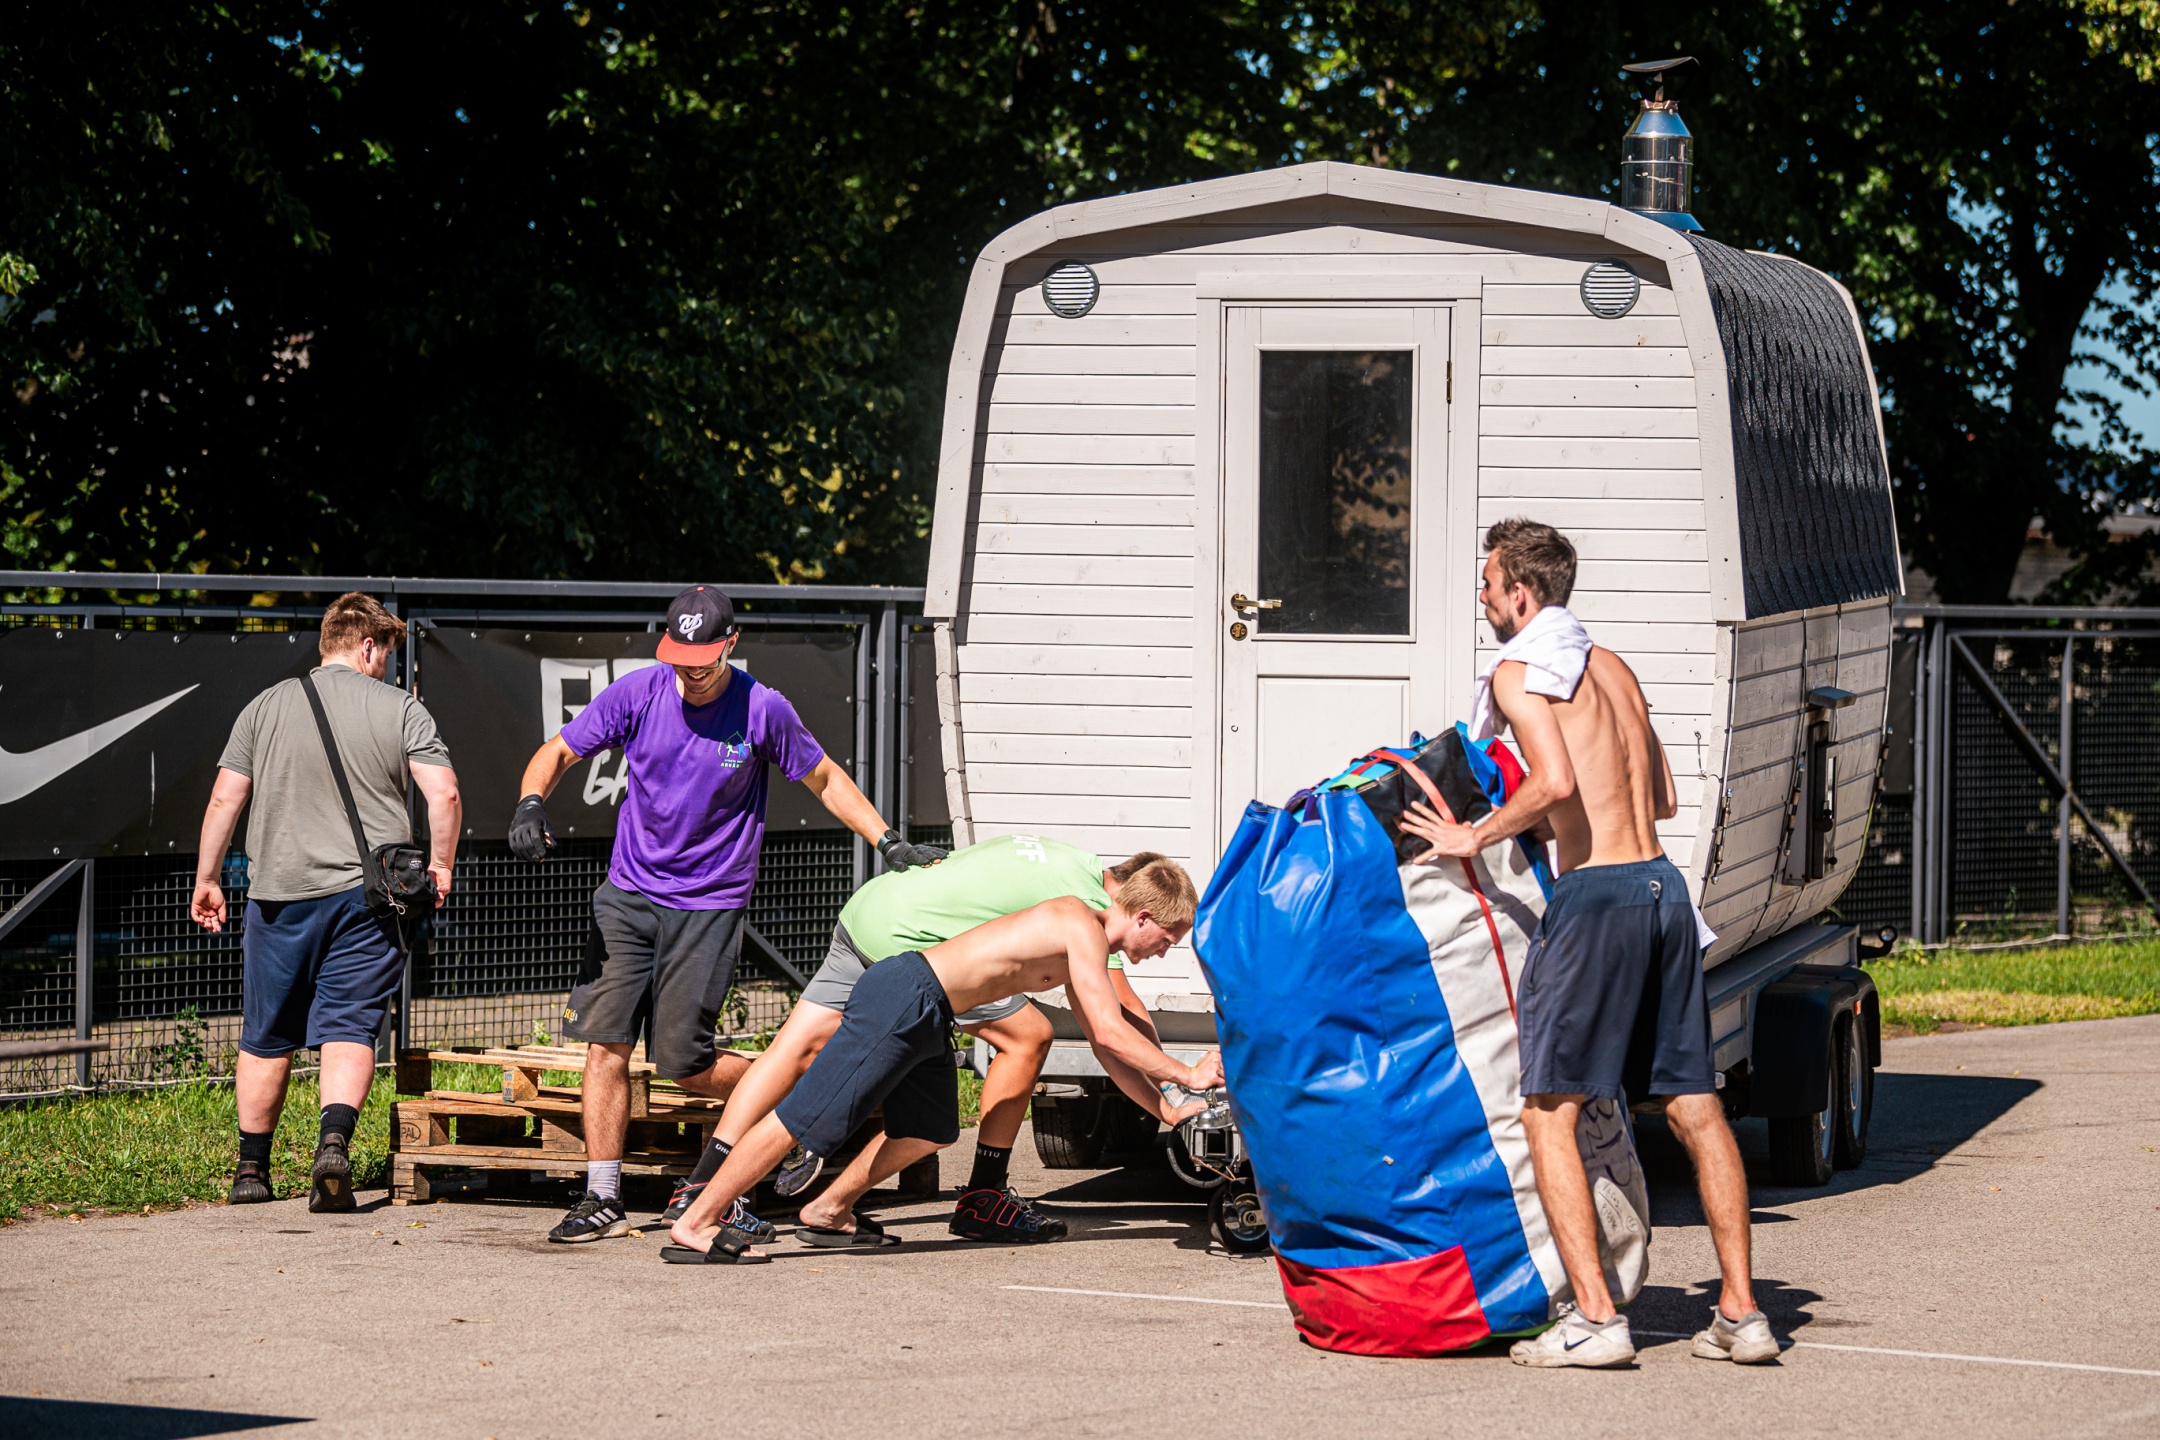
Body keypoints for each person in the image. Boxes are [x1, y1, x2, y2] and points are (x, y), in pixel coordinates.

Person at [1400, 518, 1776, 1369]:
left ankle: (1597, 1321)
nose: (1482, 600)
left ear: (1520, 593)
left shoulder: (1521, 669)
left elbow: (1555, 780)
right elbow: (1664, 796)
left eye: (1488, 586)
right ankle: (1742, 1314)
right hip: (1663, 890)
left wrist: (1474, 836)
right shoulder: (1613, 667)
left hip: (1598, 897)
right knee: (1695, 1107)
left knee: (1547, 1111)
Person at [509, 584, 942, 1244]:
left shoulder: (762, 708)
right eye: (679, 657)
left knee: (685, 1062)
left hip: (709, 905)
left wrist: (888, 842)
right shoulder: (638, 692)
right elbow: (560, 750)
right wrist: (530, 802)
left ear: (730, 645)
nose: (690, 671)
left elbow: (825, 778)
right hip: (628, 895)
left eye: (703, 659)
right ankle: (601, 1197)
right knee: (605, 1045)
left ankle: (802, 1103)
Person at [663, 861, 1222, 1263]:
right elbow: (1110, 1032)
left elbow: (1106, 1047)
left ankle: (829, 1211)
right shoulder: (1081, 924)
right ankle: (698, 1218)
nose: (1165, 950)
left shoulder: (1086, 939)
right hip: (905, 995)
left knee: (929, 1129)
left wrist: (1168, 1110)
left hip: (928, 1008)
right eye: (1168, 938)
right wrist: (1186, 1074)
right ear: (1143, 917)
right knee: (805, 1116)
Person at [190, 593, 463, 1214]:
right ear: (367, 646)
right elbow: (443, 794)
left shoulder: (263, 707)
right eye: (386, 654)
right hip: (369, 898)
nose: (387, 668)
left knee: (266, 1033)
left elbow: (224, 800)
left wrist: (208, 878)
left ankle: (251, 1171)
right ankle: (333, 1142)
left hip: (277, 896)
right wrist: (442, 865)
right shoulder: (401, 708)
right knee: (349, 1024)